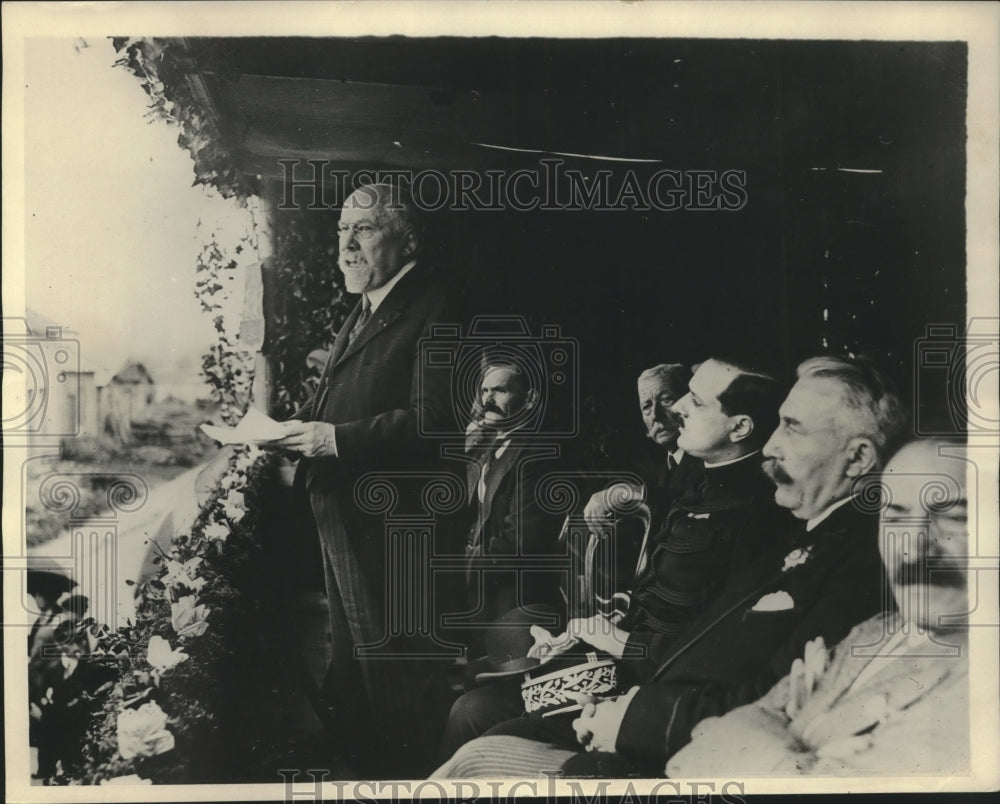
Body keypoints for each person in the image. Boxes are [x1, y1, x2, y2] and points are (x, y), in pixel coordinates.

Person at [432, 354, 906, 778]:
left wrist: (629, 702)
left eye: (793, 427)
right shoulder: (791, 521)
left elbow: (766, 696)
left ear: (859, 457)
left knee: (478, 729)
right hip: (641, 685)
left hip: (655, 712)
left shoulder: (834, 551)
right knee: (479, 713)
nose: (770, 447)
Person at [268, 181, 462, 777]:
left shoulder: (439, 306)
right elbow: (349, 397)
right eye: (340, 231)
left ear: (407, 240)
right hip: (344, 508)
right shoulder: (368, 303)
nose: (345, 246)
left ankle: (401, 777)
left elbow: (437, 423)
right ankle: (360, 768)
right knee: (354, 653)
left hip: (392, 523)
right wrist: (291, 428)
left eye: (364, 229)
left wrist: (334, 439)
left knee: (393, 665)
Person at [668, 437, 970, 776]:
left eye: (955, 517)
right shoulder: (876, 631)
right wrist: (805, 758)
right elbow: (709, 743)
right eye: (896, 517)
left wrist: (789, 740)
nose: (913, 548)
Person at [568, 357, 787, 677]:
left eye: (695, 401)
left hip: (660, 681)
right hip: (631, 655)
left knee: (479, 708)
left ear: (740, 427)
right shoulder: (698, 483)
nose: (679, 408)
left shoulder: (758, 515)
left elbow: (726, 649)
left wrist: (622, 642)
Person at [438, 357, 566, 759]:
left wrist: (454, 570)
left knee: (484, 699)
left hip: (516, 601)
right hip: (488, 595)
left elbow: (520, 543)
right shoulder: (495, 444)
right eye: (485, 390)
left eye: (502, 390)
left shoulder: (537, 454)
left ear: (530, 398)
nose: (488, 399)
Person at [582, 364, 702, 536]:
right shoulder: (666, 464)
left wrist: (628, 492)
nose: (655, 415)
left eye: (667, 400)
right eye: (646, 406)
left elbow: (688, 503)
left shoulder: (706, 457)